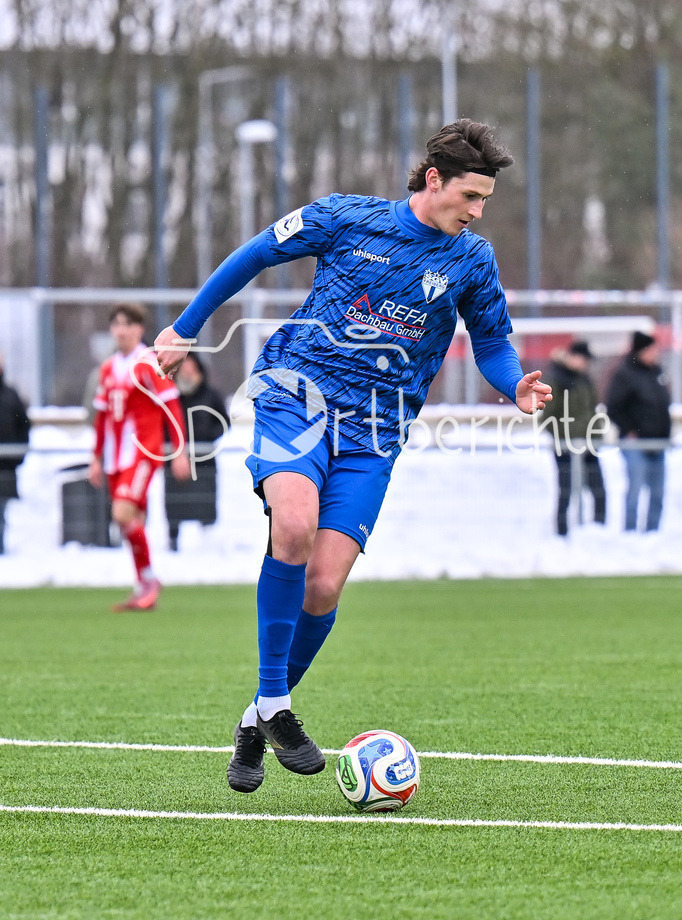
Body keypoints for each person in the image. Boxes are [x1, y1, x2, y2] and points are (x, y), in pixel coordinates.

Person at [154, 118, 552, 793]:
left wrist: (513, 380)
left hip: (376, 431)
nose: (479, 211)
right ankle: (277, 701)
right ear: (434, 180)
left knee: (326, 584)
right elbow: (252, 255)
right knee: (295, 526)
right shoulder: (344, 218)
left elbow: (490, 341)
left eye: (486, 200)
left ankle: (257, 718)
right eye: (471, 196)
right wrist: (185, 328)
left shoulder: (471, 260)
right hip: (296, 397)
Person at [87, 303, 191, 610]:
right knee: (131, 521)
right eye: (116, 324)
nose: (121, 330)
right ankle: (143, 588)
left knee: (122, 514)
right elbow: (102, 417)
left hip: (143, 453)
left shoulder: (148, 362)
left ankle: (149, 581)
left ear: (139, 329)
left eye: (127, 324)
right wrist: (95, 457)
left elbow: (171, 404)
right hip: (115, 457)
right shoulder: (107, 368)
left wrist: (179, 449)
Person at [606, 330, 671, 532]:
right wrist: (629, 430)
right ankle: (631, 533)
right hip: (636, 443)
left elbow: (661, 406)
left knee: (658, 492)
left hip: (657, 443)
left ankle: (653, 533)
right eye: (652, 349)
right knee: (635, 489)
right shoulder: (625, 374)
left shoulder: (657, 372)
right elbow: (613, 407)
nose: (656, 354)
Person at [164, 352, 230, 551]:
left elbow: (224, 423)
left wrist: (206, 437)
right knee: (176, 502)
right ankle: (173, 540)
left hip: (205, 462)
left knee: (204, 502)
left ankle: (207, 543)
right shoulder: (170, 395)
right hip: (175, 460)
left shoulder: (210, 394)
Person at [542, 340, 606, 536]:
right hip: (566, 447)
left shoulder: (584, 380)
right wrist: (565, 438)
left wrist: (595, 433)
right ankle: (563, 535)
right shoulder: (556, 379)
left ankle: (598, 534)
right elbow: (547, 415)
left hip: (588, 445)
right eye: (584, 359)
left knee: (599, 491)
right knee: (566, 491)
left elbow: (591, 410)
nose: (586, 364)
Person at [0, 354, 31, 554]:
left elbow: (24, 426)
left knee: (1, 510)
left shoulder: (11, 395)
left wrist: (17, 456)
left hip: (5, 467)